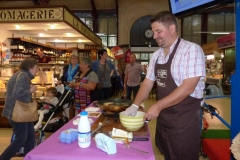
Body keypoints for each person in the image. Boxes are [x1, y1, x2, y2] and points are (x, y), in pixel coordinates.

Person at [124, 11, 205, 160]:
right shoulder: (156, 55)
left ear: (172, 28)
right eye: (154, 31)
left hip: (184, 121)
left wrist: (158, 106)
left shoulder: (191, 51)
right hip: (165, 120)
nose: (154, 36)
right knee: (167, 154)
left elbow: (188, 87)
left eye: (158, 31)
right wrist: (135, 105)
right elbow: (148, 82)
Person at [0, 58, 38, 160]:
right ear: (30, 68)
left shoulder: (21, 75)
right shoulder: (23, 77)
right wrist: (30, 90)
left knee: (30, 137)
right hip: (17, 112)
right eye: (36, 68)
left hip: (21, 112)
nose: (37, 70)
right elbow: (17, 94)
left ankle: (28, 158)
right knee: (21, 139)